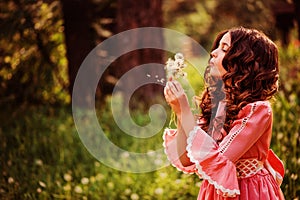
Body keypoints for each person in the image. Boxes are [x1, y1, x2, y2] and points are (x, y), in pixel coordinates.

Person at [163, 27, 285, 199]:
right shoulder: (218, 104)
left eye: (224, 49)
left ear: (244, 62)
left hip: (250, 192)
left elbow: (219, 158)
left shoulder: (258, 110)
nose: (213, 52)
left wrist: (185, 109)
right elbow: (187, 159)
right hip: (215, 192)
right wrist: (180, 112)